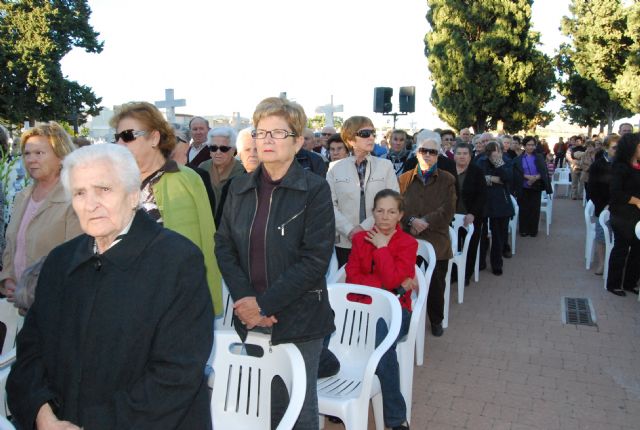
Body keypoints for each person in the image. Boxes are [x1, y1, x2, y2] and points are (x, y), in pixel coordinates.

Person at [7, 144, 213, 429]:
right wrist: (42, 415)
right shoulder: (60, 261)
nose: (91, 204)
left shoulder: (177, 261)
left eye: (103, 189)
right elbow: (30, 353)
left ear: (132, 195)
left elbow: (176, 374)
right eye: (80, 193)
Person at [215, 97, 335, 429]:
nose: (266, 140)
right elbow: (223, 245)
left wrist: (265, 304)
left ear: (298, 142)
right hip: (248, 312)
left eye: (277, 133)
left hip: (299, 317)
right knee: (262, 403)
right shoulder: (238, 187)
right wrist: (246, 302)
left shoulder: (314, 190)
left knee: (297, 410)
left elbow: (314, 261)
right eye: (260, 132)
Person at [110, 102, 222, 316]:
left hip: (177, 302)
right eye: (117, 137)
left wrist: (210, 300)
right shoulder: (116, 184)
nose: (120, 143)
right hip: (127, 300)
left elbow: (206, 240)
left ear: (154, 137)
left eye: (128, 135)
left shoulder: (187, 179)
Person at [345, 189, 417, 430]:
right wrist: (390, 287)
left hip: (397, 313)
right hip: (360, 309)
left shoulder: (408, 243)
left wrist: (383, 248)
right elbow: (353, 278)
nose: (385, 217)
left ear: (400, 215)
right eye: (380, 211)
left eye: (391, 212)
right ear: (373, 213)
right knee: (326, 329)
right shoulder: (358, 239)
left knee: (381, 342)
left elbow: (393, 282)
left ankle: (395, 418)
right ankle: (341, 389)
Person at [0, 122, 82, 309]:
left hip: (54, 307)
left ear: (61, 156)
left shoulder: (74, 199)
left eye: (39, 153)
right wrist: (7, 279)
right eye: (27, 153)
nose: (31, 160)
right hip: (19, 305)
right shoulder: (23, 197)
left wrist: (33, 291)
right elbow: (11, 245)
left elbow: (75, 261)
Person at [399, 130, 456, 337]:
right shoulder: (404, 179)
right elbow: (398, 207)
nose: (428, 155)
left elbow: (448, 210)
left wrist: (425, 222)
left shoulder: (447, 179)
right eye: (424, 150)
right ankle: (403, 318)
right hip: (409, 237)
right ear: (416, 152)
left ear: (438, 153)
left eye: (432, 151)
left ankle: (436, 319)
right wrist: (411, 220)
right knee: (402, 279)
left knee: (436, 282)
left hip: (436, 238)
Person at [327, 116, 399, 267]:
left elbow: (393, 202)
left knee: (377, 287)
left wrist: (363, 228)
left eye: (373, 133)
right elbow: (328, 205)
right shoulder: (334, 168)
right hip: (346, 242)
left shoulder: (385, 166)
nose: (371, 137)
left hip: (380, 239)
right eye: (365, 134)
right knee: (349, 285)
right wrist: (349, 230)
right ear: (351, 139)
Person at [605, 133, 640, 296]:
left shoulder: (638, 165)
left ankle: (629, 282)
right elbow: (616, 192)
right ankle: (614, 284)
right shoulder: (620, 166)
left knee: (637, 250)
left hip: (636, 216)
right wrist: (636, 201)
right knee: (622, 248)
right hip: (622, 215)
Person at [476, 141, 514, 275]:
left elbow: (507, 178)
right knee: (481, 234)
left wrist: (498, 164)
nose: (494, 154)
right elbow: (478, 179)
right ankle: (480, 262)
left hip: (501, 204)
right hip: (484, 203)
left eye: (497, 151)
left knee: (498, 236)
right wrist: (492, 179)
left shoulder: (507, 161)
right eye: (492, 151)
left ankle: (497, 264)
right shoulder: (481, 161)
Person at [453, 142, 487, 286]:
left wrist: (473, 213)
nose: (462, 156)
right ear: (454, 155)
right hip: (451, 216)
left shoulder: (477, 172)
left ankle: (466, 274)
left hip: (470, 216)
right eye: (459, 153)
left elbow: (482, 195)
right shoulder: (448, 170)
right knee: (454, 246)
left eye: (465, 153)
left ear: (470, 156)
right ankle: (454, 273)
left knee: (470, 247)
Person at [588, 134, 619, 275]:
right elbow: (592, 190)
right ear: (606, 148)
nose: (617, 150)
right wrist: (604, 206)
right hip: (603, 206)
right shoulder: (598, 165)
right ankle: (601, 263)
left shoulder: (623, 164)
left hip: (620, 206)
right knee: (602, 235)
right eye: (614, 148)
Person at [198, 126, 245, 212]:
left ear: (233, 150)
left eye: (224, 149)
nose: (218, 152)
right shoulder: (203, 168)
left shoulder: (243, 172)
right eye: (213, 148)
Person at [513, 136, 553, 237]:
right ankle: (523, 230)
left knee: (534, 209)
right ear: (524, 146)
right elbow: (516, 171)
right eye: (528, 145)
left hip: (536, 186)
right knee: (523, 209)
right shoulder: (518, 159)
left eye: (532, 145)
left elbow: (543, 171)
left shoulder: (539, 157)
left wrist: (535, 178)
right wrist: (527, 177)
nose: (531, 147)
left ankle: (533, 230)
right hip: (523, 186)